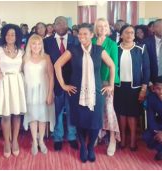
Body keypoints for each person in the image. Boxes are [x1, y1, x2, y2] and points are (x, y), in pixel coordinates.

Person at [54, 23, 115, 163]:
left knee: (95, 122)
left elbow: (112, 65)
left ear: (91, 35)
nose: (82, 37)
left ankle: (90, 147)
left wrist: (111, 85)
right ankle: (83, 147)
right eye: (80, 34)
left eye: (85, 34)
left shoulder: (99, 50)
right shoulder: (73, 50)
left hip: (96, 92)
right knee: (79, 121)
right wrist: (63, 85)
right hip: (77, 92)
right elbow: (57, 64)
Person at [44, 16, 79, 151]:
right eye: (58, 23)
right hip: (55, 82)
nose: (61, 25)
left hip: (72, 82)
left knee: (71, 111)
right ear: (54, 26)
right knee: (57, 111)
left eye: (64, 23)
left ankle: (72, 136)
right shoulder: (46, 42)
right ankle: (57, 137)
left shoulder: (75, 40)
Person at [0, 24, 26, 158]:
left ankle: (15, 141)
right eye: (7, 34)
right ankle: (7, 142)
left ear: (17, 36)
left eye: (13, 34)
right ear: (4, 36)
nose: (10, 37)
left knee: (16, 114)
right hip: (4, 83)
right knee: (6, 115)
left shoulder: (22, 51)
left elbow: (24, 70)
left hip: (17, 83)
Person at [114, 24, 150, 152]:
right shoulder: (116, 48)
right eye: (127, 32)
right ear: (121, 34)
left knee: (133, 115)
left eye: (132, 33)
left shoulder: (141, 48)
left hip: (135, 87)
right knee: (121, 114)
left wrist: (144, 89)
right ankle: (123, 139)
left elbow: (146, 69)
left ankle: (133, 140)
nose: (129, 35)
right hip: (119, 87)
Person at [22, 34, 55, 155]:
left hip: (43, 91)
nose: (36, 46)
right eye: (34, 44)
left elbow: (51, 76)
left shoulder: (46, 57)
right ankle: (34, 142)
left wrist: (50, 93)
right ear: (29, 45)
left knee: (42, 117)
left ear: (42, 45)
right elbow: (18, 73)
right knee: (32, 117)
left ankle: (41, 140)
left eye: (39, 44)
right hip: (29, 92)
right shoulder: (24, 57)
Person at [92, 18, 120, 156]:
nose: (102, 28)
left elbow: (114, 65)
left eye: (104, 26)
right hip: (92, 82)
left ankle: (112, 139)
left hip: (106, 83)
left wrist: (111, 85)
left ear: (108, 28)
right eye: (99, 26)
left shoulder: (112, 44)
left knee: (109, 111)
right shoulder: (90, 42)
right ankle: (97, 134)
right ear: (96, 28)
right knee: (95, 110)